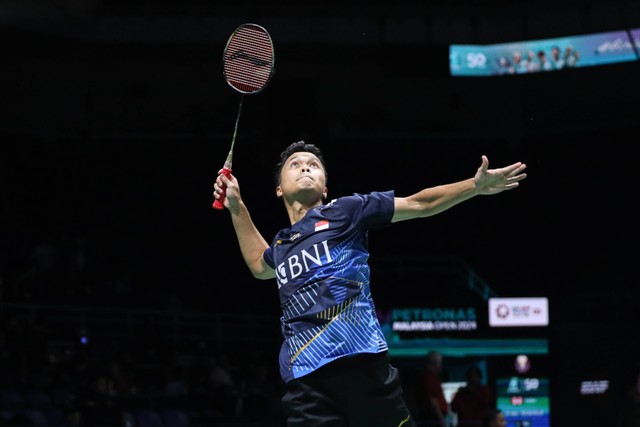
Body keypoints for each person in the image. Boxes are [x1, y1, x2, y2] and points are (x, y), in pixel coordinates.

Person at [213, 140, 527, 427]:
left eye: (313, 164)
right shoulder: (282, 245)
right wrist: (237, 205)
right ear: (279, 189)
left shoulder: (346, 211)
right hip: (307, 385)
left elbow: (419, 205)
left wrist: (474, 186)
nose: (305, 166)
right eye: (295, 164)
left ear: (325, 188)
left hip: (365, 367)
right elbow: (259, 265)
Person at [420, 350, 449, 427]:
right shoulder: (429, 379)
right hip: (434, 419)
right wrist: (441, 419)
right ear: (433, 363)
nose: (440, 366)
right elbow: (433, 400)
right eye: (440, 363)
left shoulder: (433, 378)